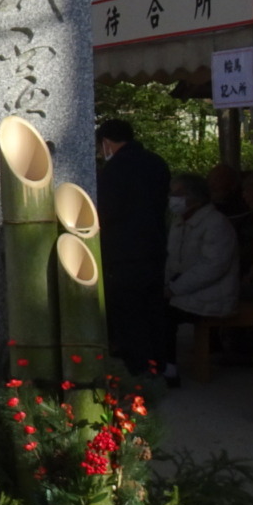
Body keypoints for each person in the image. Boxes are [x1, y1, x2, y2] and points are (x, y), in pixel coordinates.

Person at [95, 119, 172, 383]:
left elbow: (105, 211)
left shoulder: (114, 170)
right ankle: (159, 364)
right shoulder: (157, 163)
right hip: (155, 247)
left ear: (106, 142)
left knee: (129, 314)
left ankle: (138, 371)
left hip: (123, 252)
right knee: (154, 311)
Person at [163, 173, 240, 386]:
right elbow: (172, 261)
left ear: (195, 197)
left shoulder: (216, 224)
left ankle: (168, 370)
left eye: (179, 194)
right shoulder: (179, 222)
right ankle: (159, 364)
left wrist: (175, 289)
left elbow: (212, 267)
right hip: (186, 290)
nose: (173, 198)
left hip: (212, 295)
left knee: (163, 313)